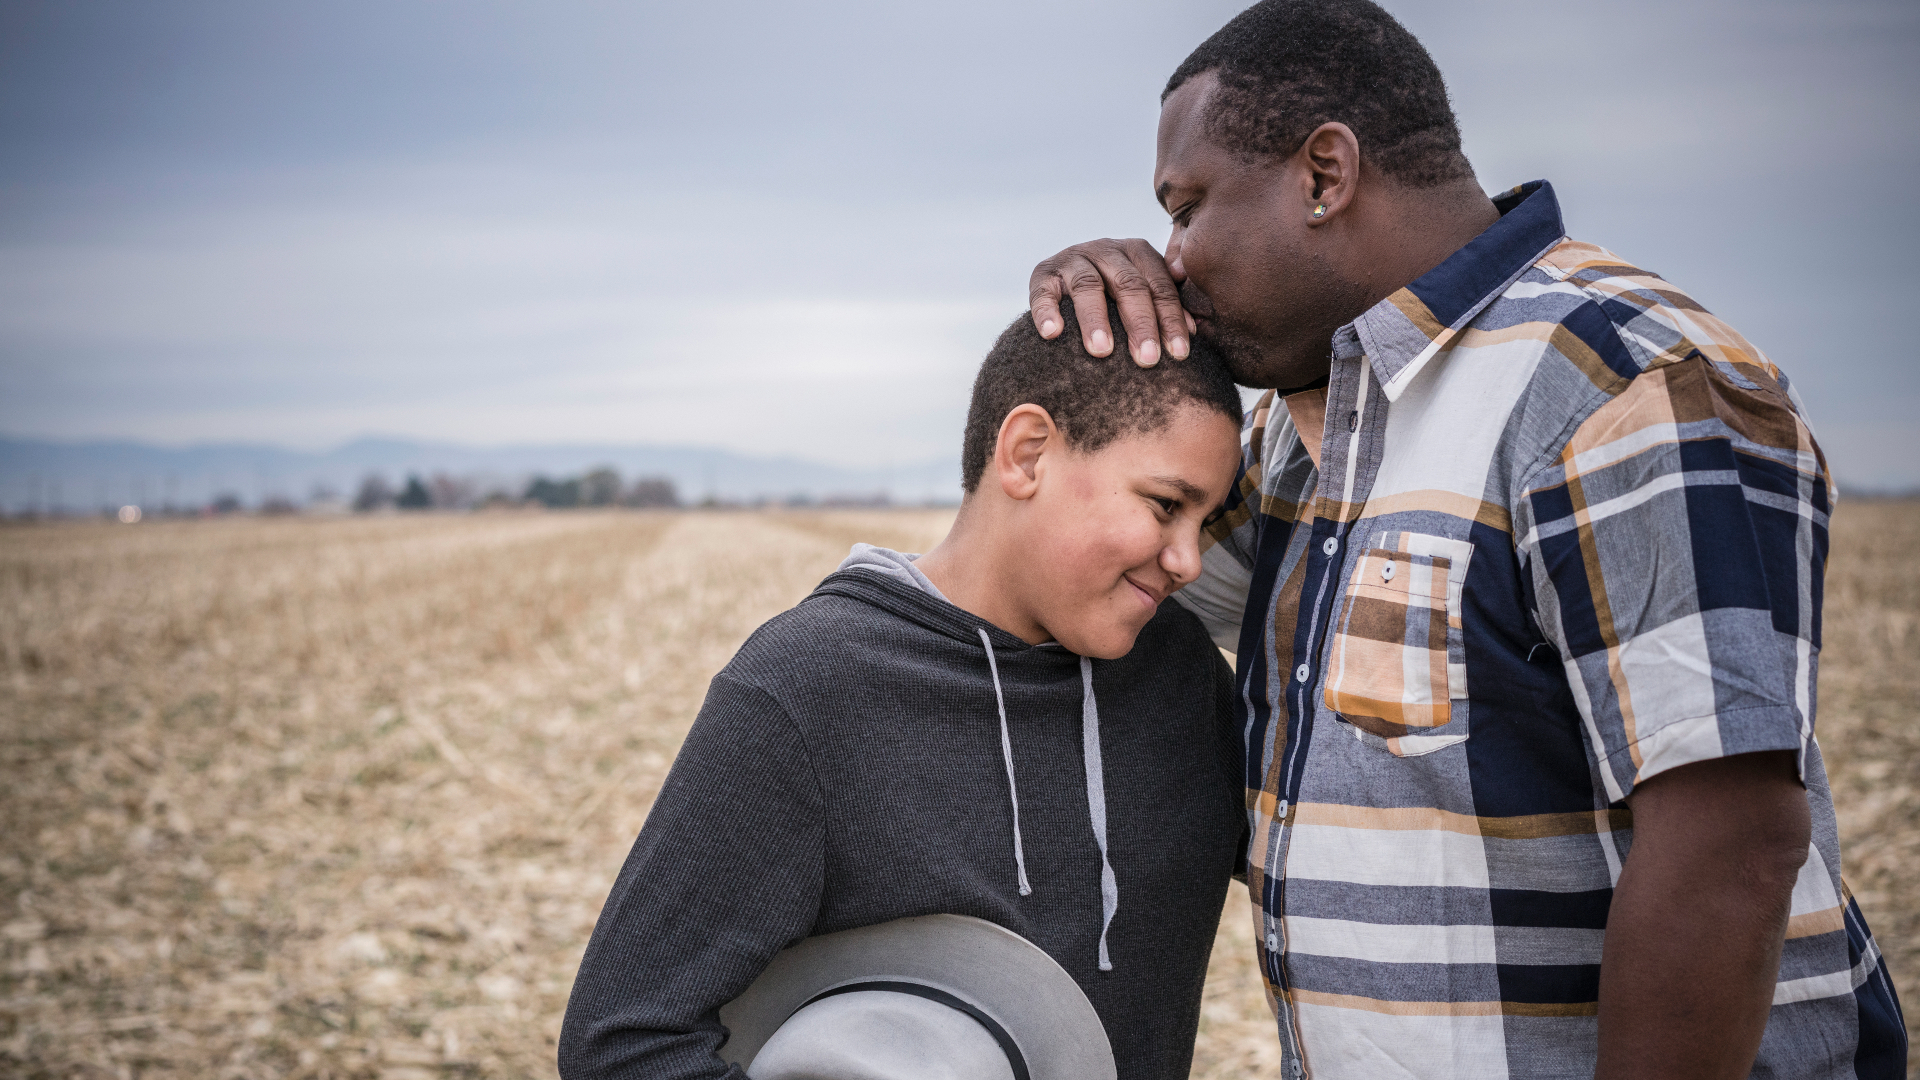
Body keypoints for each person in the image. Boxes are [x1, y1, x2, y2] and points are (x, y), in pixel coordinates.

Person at [1023, 2, 1906, 1077]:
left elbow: (1731, 846)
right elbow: (1103, 568)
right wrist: (1103, 350)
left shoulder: (1623, 385)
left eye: (1187, 206)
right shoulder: (1305, 434)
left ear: (1324, 174)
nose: (1174, 256)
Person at [558, 306, 1251, 1080]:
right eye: (1165, 505)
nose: (1189, 559)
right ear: (1027, 454)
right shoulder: (807, 690)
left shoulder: (1180, 675)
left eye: (1205, 520)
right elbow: (622, 1042)